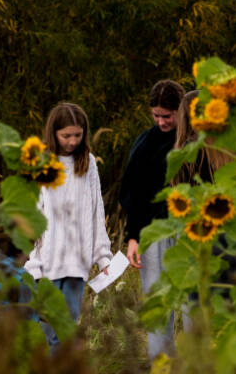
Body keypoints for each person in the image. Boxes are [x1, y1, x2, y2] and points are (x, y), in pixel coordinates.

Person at [22, 101, 113, 348]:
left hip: (77, 262)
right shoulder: (41, 162)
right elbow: (31, 211)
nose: (72, 141)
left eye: (77, 135)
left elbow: (96, 210)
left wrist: (103, 257)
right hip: (46, 260)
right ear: (54, 133)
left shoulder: (88, 163)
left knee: (67, 328)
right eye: (66, 136)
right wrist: (27, 254)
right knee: (49, 329)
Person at [115, 79, 183, 358]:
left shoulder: (195, 142)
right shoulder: (145, 142)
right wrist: (133, 237)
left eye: (167, 116)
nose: (161, 121)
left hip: (188, 229)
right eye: (156, 115)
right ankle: (162, 368)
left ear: (181, 111)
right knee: (157, 303)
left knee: (193, 302)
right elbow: (133, 193)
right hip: (153, 231)